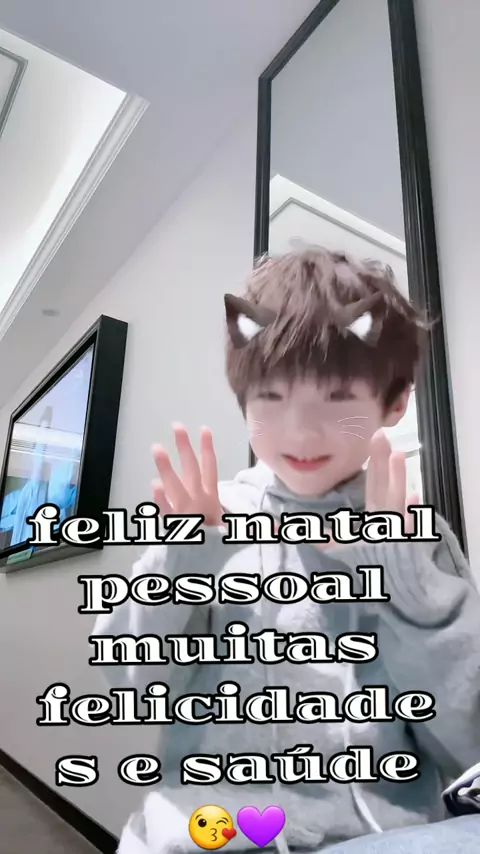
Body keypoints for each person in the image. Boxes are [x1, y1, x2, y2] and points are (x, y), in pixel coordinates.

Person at [95, 249, 480, 853]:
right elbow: (135, 685)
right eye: (271, 397)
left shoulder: (417, 538)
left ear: (395, 402)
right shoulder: (208, 519)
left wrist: (405, 583)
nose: (300, 432)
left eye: (338, 396)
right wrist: (185, 560)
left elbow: (466, 742)